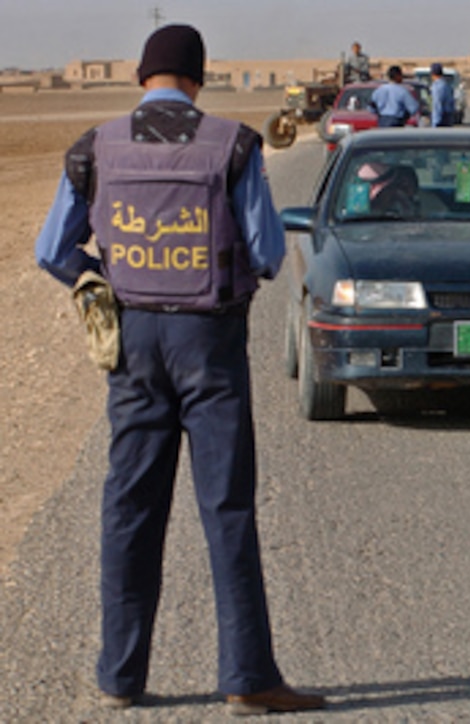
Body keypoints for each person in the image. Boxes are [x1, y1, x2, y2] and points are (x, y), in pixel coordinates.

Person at [33, 24, 325, 715]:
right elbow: (267, 252)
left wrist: (101, 277)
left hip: (133, 341)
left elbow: (53, 250)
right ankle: (248, 678)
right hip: (210, 343)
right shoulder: (233, 144)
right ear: (199, 78)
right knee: (226, 507)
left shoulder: (95, 146)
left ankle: (119, 677)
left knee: (130, 507)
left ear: (143, 78)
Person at [429, 62, 456, 127]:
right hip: (448, 118)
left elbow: (437, 104)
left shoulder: (437, 86)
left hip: (441, 120)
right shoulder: (447, 86)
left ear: (432, 74)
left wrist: (435, 123)